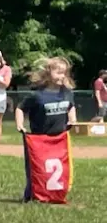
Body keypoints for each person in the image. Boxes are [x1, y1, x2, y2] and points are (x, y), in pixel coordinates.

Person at [17, 56, 76, 202]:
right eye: (58, 72)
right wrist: (20, 124)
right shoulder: (37, 95)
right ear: (48, 73)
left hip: (59, 139)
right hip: (39, 139)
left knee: (59, 166)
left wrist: (72, 118)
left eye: (64, 73)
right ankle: (31, 195)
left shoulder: (67, 93)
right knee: (37, 168)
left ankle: (55, 194)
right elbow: (20, 108)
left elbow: (70, 106)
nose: (62, 76)